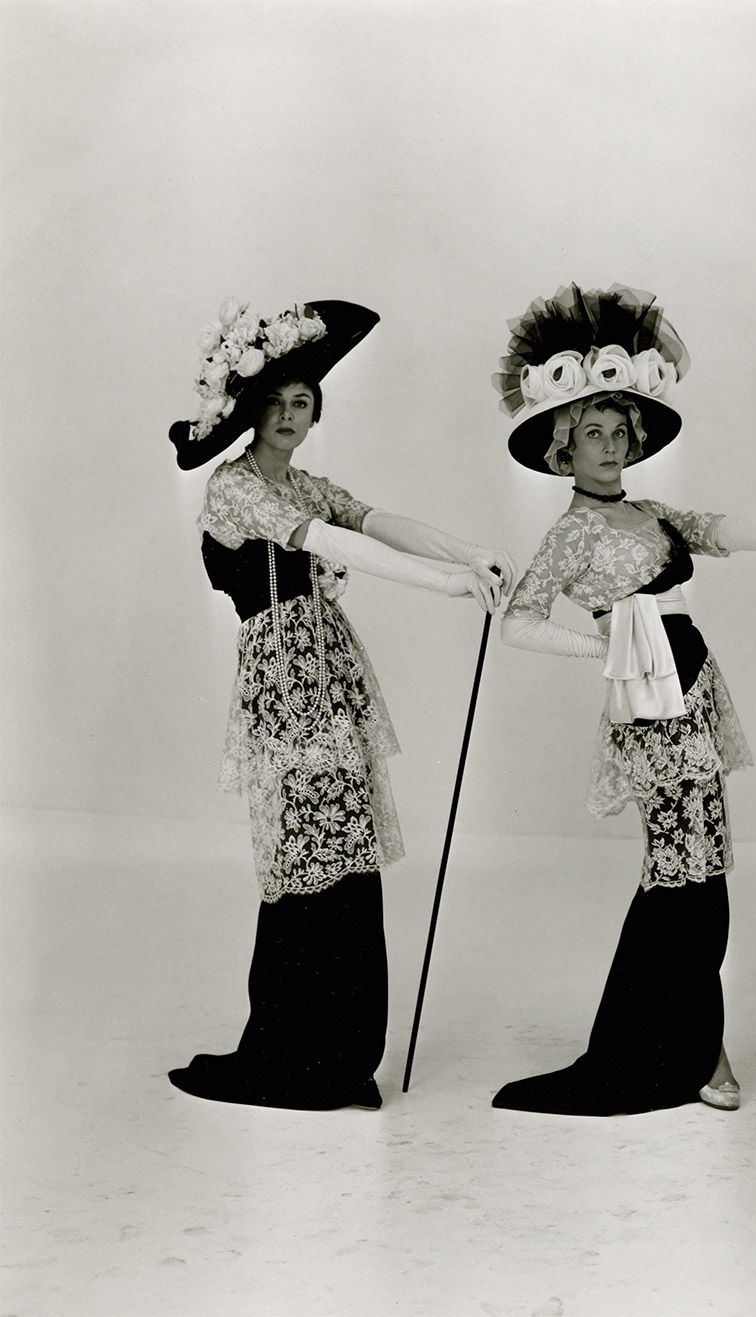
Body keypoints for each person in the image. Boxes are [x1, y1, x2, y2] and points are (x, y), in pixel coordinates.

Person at [486, 283, 756, 1116]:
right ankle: (695, 1049)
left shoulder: (653, 513)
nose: (612, 444)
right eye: (593, 432)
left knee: (701, 872)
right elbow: (516, 621)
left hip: (694, 694)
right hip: (649, 710)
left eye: (620, 430)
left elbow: (722, 531)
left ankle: (698, 1040)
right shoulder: (571, 533)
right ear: (564, 448)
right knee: (684, 877)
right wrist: (605, 647)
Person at [165, 298, 514, 1110]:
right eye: (278, 402)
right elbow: (329, 542)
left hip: (331, 674)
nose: (292, 416)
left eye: (302, 402)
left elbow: (375, 520)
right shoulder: (236, 490)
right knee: (304, 867)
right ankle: (288, 1053)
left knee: (349, 861)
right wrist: (450, 585)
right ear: (252, 409)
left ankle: (343, 1052)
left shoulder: (306, 481)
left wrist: (471, 551)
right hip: (283, 683)